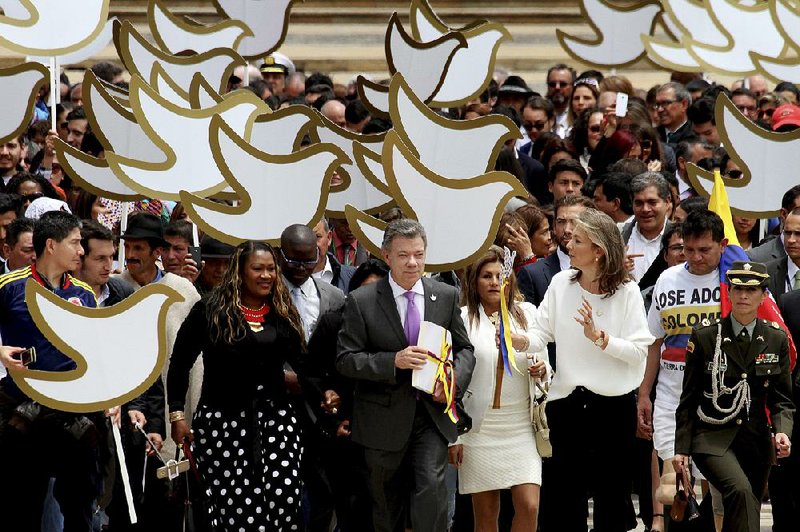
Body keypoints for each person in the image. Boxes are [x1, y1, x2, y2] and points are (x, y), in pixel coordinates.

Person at [336, 219, 475, 532]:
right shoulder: (362, 301)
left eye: (419, 254)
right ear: (387, 256)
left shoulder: (446, 295)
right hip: (381, 420)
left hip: (431, 415)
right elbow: (345, 360)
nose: (413, 262)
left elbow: (465, 350)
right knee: (386, 506)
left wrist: (451, 384)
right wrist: (392, 361)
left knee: (432, 493)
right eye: (403, 255)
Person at [523, 208, 654, 531]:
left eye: (578, 240)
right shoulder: (559, 284)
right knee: (562, 502)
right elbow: (541, 333)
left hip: (613, 410)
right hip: (566, 406)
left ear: (599, 250)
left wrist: (601, 338)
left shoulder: (627, 293)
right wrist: (519, 340)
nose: (569, 244)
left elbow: (639, 352)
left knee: (612, 502)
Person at [168, 241, 308, 531]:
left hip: (276, 425)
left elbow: (305, 366)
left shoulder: (282, 311)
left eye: (271, 269)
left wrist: (327, 394)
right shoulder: (210, 310)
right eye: (258, 268)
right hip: (223, 426)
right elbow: (179, 363)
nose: (266, 275)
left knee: (284, 503)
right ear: (240, 272)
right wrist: (177, 415)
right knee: (236, 511)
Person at [674, 261, 794, 532]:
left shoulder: (775, 338)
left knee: (746, 505)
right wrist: (682, 448)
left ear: (763, 295)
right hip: (712, 438)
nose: (743, 296)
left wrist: (783, 431)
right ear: (727, 292)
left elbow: (782, 399)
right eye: (737, 288)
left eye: (751, 290)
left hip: (756, 442)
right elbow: (689, 398)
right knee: (739, 491)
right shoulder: (706, 337)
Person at [0, 211, 102, 531]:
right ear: (51, 245)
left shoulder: (85, 294)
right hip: (23, 408)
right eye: (75, 243)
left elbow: (96, 352)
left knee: (80, 504)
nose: (81, 251)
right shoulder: (10, 286)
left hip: (73, 411)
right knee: (22, 505)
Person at [448, 246, 548, 531]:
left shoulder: (527, 314)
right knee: (486, 515)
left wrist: (542, 370)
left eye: (499, 275)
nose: (494, 282)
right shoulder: (463, 318)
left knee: (529, 505)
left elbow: (544, 360)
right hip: (479, 428)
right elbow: (453, 379)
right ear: (474, 282)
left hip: (521, 424)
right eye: (486, 276)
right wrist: (454, 438)